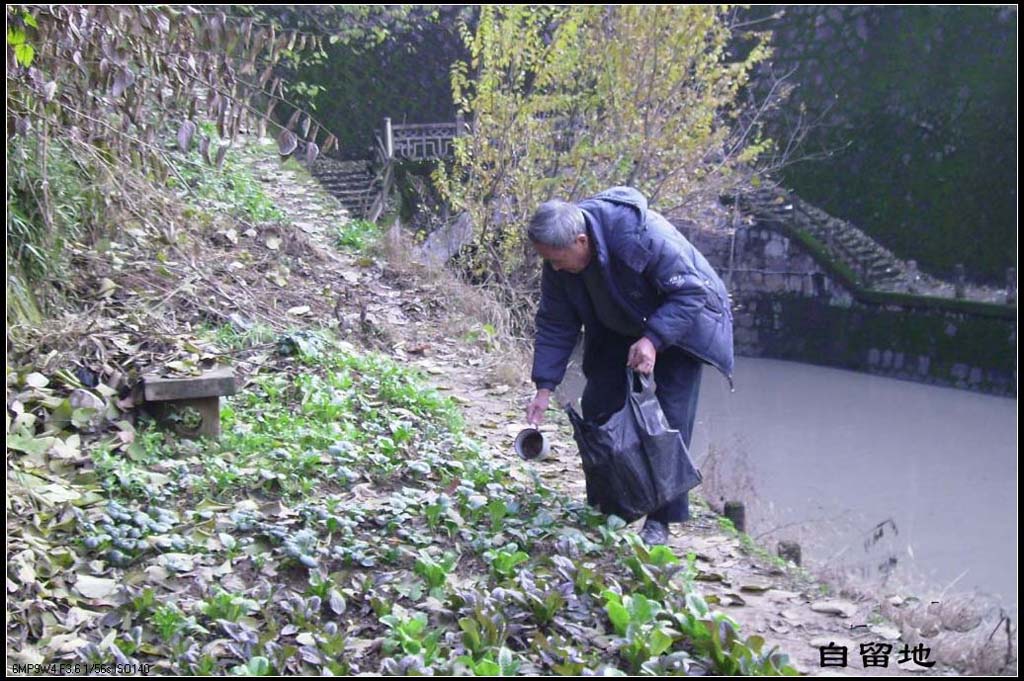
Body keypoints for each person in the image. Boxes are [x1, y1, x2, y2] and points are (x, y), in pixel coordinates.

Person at [524, 186, 734, 546]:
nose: (554, 268)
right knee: (599, 405)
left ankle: (661, 520)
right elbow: (556, 323)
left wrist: (653, 339)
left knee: (664, 421)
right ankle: (613, 504)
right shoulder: (558, 262)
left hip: (680, 322)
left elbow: (691, 292)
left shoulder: (638, 236)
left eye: (558, 259)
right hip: (619, 322)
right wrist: (544, 387)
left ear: (581, 240)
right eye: (549, 261)